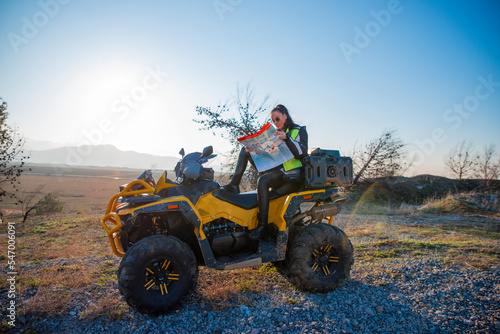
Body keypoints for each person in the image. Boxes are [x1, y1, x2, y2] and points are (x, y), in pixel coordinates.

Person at [222, 104, 308, 240]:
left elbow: (301, 153)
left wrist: (286, 138)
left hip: (291, 173)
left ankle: (262, 227)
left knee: (262, 181)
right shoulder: (275, 133)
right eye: (273, 121)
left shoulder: (299, 130)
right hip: (277, 168)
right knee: (245, 151)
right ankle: (234, 185)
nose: (275, 122)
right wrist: (256, 150)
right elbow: (273, 152)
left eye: (277, 119)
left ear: (285, 116)